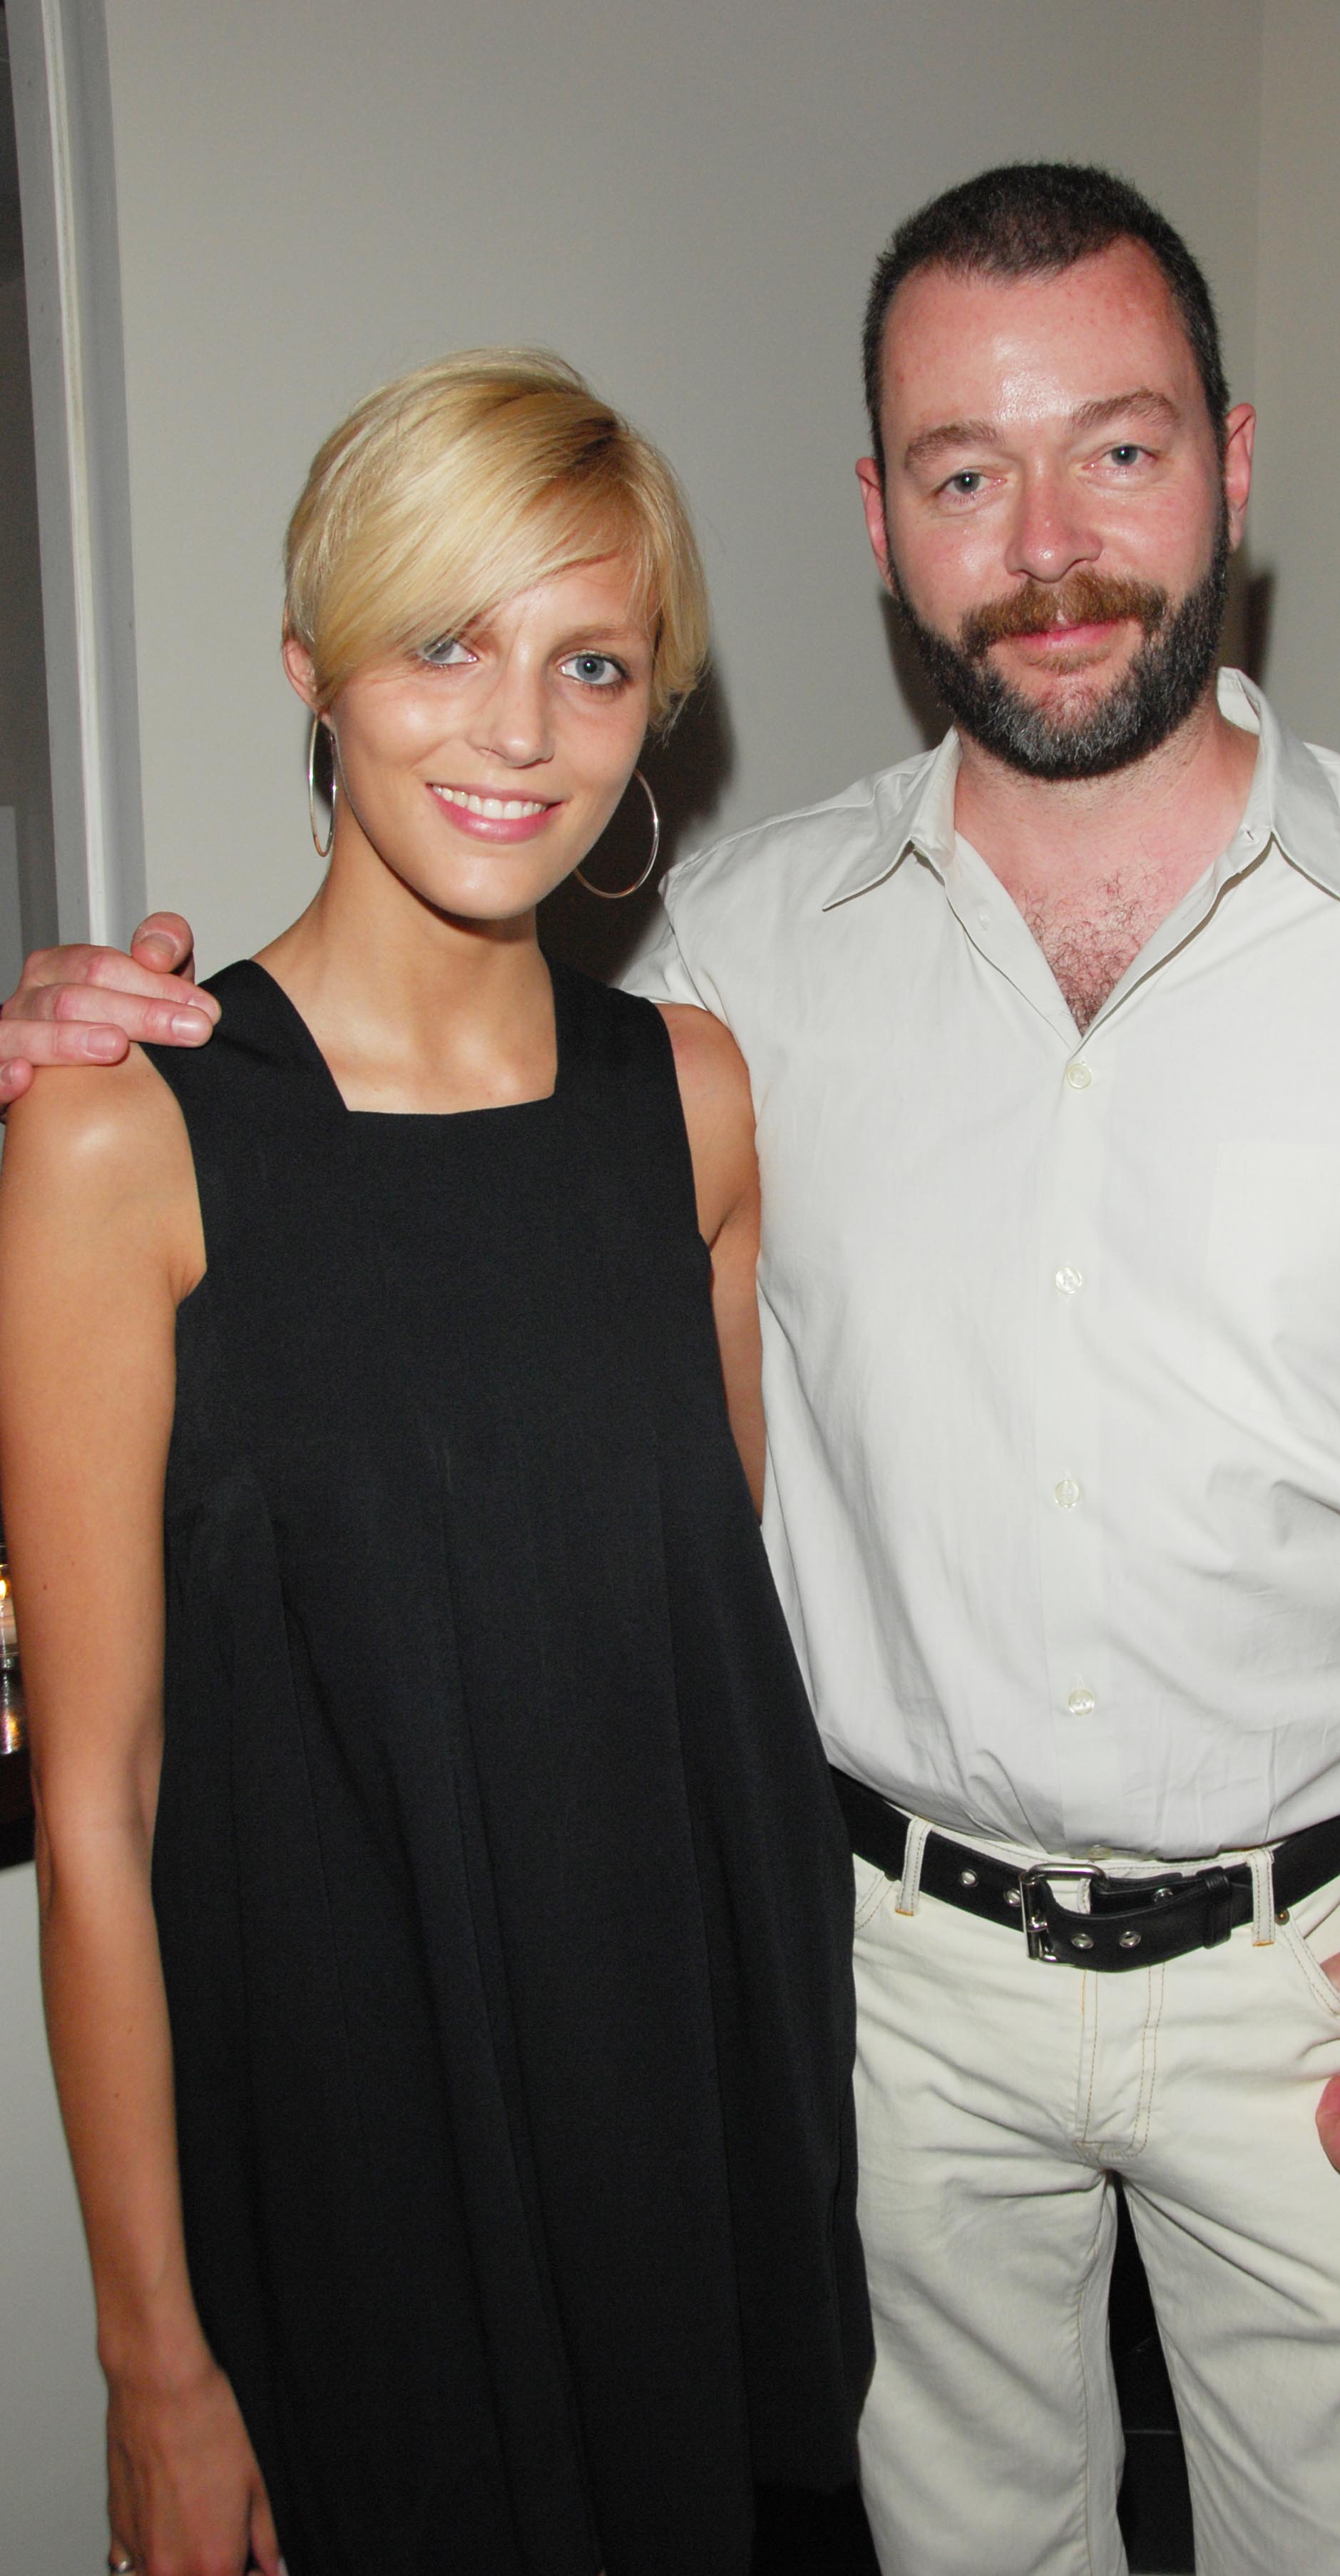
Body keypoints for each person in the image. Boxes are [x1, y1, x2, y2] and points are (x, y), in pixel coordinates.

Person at [3, 163, 1340, 2576]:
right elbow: (412, 1199)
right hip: (886, 1990)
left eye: (1118, 449)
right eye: (965, 471)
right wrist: (71, 1028)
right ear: (880, 521)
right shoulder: (739, 961)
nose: (1049, 543)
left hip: (1318, 1986)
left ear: (1229, 464)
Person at [0, 349, 868, 2576]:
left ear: (655, 709)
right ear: (314, 667)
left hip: (672, 2117)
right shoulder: (121, 1137)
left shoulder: (694, 1101)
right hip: (351, 2180)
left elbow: (677, 1664)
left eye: (593, 665)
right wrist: (152, 2361)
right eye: (443, 643)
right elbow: (94, 1810)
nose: (520, 732)